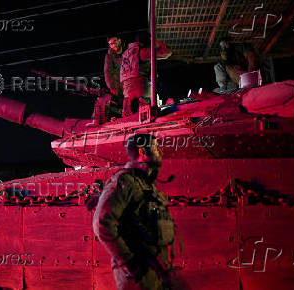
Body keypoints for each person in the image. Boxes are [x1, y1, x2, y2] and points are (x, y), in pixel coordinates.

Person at [93, 134, 175, 290]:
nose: (160, 151)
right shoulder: (126, 181)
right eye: (156, 147)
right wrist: (128, 263)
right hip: (137, 273)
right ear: (142, 151)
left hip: (151, 268)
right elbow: (102, 223)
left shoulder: (143, 183)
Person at [120, 33, 171, 117]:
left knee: (131, 118)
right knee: (154, 111)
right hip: (141, 87)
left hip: (127, 93)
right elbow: (166, 52)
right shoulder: (141, 52)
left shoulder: (125, 55)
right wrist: (155, 40)